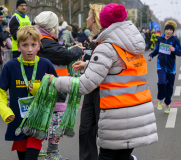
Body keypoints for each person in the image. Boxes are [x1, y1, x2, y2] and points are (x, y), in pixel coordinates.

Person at [48, 4, 158, 160]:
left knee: (108, 156)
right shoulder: (131, 45)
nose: (87, 18)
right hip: (136, 110)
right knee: (122, 155)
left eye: (89, 16)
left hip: (117, 114)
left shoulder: (107, 47)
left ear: (101, 21)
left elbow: (84, 85)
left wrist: (55, 81)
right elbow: (118, 67)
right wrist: (88, 65)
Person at [0, 25, 57, 160]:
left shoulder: (46, 64)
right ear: (18, 46)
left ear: (39, 46)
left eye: (33, 45)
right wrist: (5, 111)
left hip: (38, 119)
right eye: (25, 45)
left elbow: (57, 91)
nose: (29, 49)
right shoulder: (10, 66)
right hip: (18, 119)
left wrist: (39, 89)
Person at [34, 11, 83, 160]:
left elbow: (59, 54)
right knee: (55, 122)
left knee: (41, 120)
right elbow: (64, 56)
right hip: (55, 87)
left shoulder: (39, 40)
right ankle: (52, 152)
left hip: (45, 86)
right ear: (51, 26)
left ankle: (38, 149)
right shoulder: (45, 41)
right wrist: (78, 50)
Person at [76, 4, 104, 160]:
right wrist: (85, 63)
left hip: (103, 90)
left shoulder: (106, 39)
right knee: (85, 130)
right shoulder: (93, 40)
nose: (86, 18)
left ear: (95, 19)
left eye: (88, 16)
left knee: (104, 133)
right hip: (90, 89)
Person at [148, 20, 181, 113]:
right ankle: (160, 99)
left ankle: (167, 104)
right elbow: (156, 50)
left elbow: (180, 53)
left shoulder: (175, 40)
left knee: (169, 88)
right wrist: (151, 55)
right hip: (161, 65)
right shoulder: (160, 39)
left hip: (171, 68)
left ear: (173, 31)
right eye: (167, 29)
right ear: (165, 30)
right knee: (161, 82)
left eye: (170, 30)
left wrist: (174, 50)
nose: (168, 31)